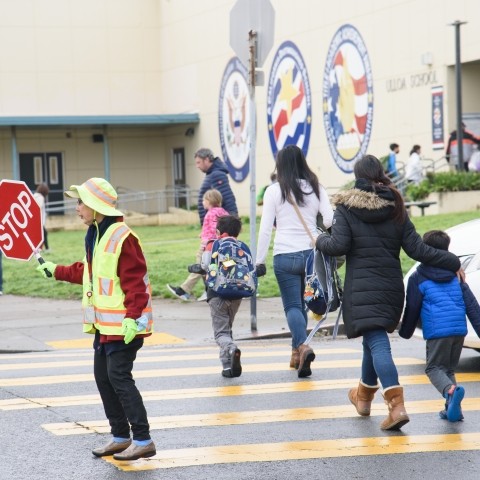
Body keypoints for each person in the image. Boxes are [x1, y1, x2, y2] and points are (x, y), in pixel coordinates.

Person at [316, 155, 461, 431]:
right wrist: (452, 261)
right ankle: (363, 397)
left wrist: (320, 239)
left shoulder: (346, 207)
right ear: (381, 174)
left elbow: (338, 245)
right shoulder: (396, 206)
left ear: (357, 176)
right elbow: (418, 250)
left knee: (377, 342)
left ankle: (396, 406)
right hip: (392, 289)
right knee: (373, 340)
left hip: (361, 289)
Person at [36, 177, 156, 460]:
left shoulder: (122, 237)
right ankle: (119, 436)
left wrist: (133, 317)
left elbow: (136, 281)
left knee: (119, 377)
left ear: (95, 206)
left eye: (80, 203)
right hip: (105, 326)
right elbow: (88, 273)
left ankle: (143, 439)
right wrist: (56, 270)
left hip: (125, 326)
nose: (76, 208)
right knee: (103, 377)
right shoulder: (95, 234)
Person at [255, 144, 334, 378]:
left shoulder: (273, 191)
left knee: (292, 306)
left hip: (284, 254)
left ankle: (302, 345)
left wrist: (260, 260)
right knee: (302, 304)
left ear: (280, 164)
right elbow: (329, 220)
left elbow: (265, 229)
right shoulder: (317, 187)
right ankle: (296, 353)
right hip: (312, 254)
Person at [399, 230, 480, 422]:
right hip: (459, 330)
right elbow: (472, 305)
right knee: (448, 369)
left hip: (438, 331)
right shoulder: (456, 274)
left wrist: (405, 331)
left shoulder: (419, 276)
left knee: (434, 368)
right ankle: (453, 410)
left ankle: (450, 391)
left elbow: (413, 306)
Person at [168, 148, 238, 301]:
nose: (198, 166)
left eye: (199, 162)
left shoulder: (217, 176)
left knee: (207, 263)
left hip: (213, 239)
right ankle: (211, 289)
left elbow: (225, 198)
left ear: (208, 160)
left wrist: (230, 226)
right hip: (212, 237)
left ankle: (191, 290)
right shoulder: (213, 175)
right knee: (213, 263)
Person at [192, 215, 248, 378]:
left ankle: (231, 349)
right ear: (238, 231)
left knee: (221, 334)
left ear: (218, 231)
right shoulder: (241, 246)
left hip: (217, 294)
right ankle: (227, 366)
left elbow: (205, 265)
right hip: (237, 294)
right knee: (227, 328)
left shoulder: (213, 244)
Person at [167, 189, 229, 301]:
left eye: (204, 200)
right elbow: (219, 229)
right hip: (221, 246)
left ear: (210, 200)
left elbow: (212, 232)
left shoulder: (210, 214)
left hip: (208, 247)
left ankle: (184, 290)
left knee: (200, 267)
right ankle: (209, 291)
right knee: (208, 269)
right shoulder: (223, 212)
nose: (202, 202)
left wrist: (205, 243)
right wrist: (202, 233)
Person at [33, 183, 50, 251]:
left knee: (42, 234)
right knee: (44, 234)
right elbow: (38, 209)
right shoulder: (40, 198)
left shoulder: (35, 196)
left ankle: (42, 248)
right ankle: (45, 249)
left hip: (35, 221)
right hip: (38, 221)